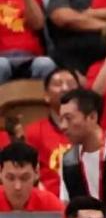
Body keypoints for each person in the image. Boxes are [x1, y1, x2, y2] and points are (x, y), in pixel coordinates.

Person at [24, 67, 80, 195]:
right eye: (58, 84)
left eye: (70, 84)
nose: (65, 88)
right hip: (48, 199)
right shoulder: (33, 132)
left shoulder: (88, 129)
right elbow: (28, 173)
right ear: (46, 96)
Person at [0, 141, 64, 212]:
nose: (18, 187)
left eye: (24, 178)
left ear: (36, 172)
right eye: (11, 178)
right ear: (0, 173)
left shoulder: (51, 205)